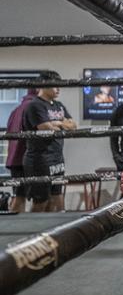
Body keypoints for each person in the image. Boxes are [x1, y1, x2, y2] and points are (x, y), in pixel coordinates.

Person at [22, 74, 77, 212]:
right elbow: (46, 127)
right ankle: (35, 232)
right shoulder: (35, 105)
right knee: (41, 201)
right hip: (39, 160)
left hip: (57, 158)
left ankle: (54, 233)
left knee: (57, 198)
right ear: (43, 85)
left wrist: (57, 123)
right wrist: (61, 123)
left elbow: (73, 125)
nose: (59, 89)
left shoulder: (59, 105)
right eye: (55, 85)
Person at [5, 88, 38, 213]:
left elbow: (8, 134)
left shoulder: (16, 110)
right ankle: (37, 230)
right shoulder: (34, 108)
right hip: (28, 159)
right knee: (40, 199)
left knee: (19, 196)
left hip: (14, 160)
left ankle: (15, 230)